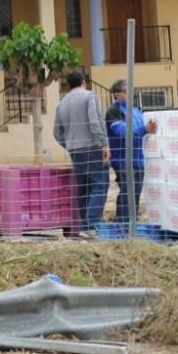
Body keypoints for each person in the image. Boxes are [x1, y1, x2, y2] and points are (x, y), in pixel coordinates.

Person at [53, 71, 109, 235]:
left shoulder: (61, 103)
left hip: (75, 151)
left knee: (83, 189)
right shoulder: (90, 96)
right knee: (100, 186)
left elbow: (57, 133)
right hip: (92, 148)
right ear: (84, 82)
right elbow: (95, 122)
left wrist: (69, 144)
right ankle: (90, 226)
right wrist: (104, 143)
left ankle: (84, 227)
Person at [105, 79, 158, 224]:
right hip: (123, 160)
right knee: (127, 193)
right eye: (126, 91)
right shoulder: (114, 111)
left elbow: (144, 131)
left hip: (139, 159)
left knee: (135, 194)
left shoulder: (136, 111)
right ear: (117, 94)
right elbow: (122, 132)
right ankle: (124, 224)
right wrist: (144, 129)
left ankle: (132, 224)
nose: (130, 94)